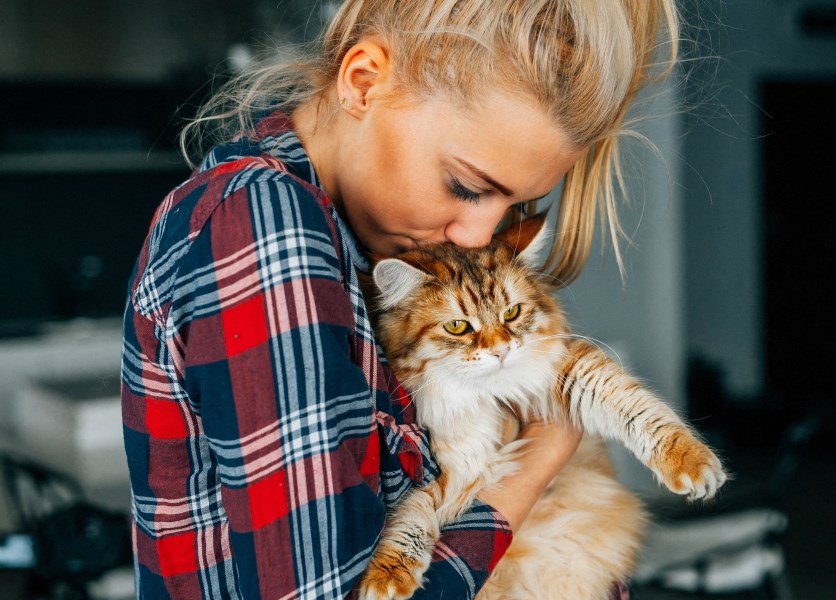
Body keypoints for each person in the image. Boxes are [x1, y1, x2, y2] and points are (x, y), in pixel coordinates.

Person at [120, 1, 680, 598]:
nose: (479, 237)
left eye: (512, 204)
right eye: (465, 186)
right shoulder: (264, 225)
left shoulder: (357, 238)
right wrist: (539, 460)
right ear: (364, 82)